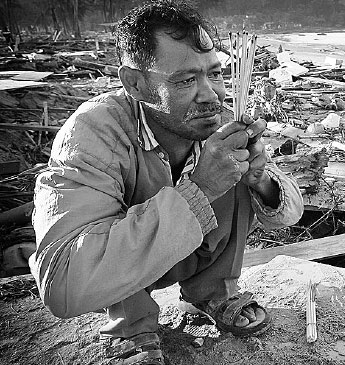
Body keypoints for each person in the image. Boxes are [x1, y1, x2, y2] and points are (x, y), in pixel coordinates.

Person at [29, 1, 304, 364]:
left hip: (187, 253)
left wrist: (260, 181)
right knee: (119, 211)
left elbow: (290, 213)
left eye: (215, 74)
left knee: (232, 168)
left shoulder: (216, 121)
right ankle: (131, 325)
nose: (211, 95)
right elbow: (64, 284)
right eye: (186, 80)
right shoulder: (93, 134)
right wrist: (201, 189)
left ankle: (212, 291)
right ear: (136, 83)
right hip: (127, 275)